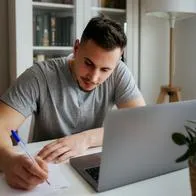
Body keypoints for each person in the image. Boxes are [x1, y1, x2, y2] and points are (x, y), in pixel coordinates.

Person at [0, 15, 145, 190]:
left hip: (89, 163)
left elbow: (139, 123)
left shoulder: (119, 72)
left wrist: (86, 139)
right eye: (88, 63)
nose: (94, 77)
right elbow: (2, 125)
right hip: (46, 171)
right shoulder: (39, 75)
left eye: (105, 69)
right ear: (76, 48)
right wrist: (7, 159)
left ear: (117, 61)